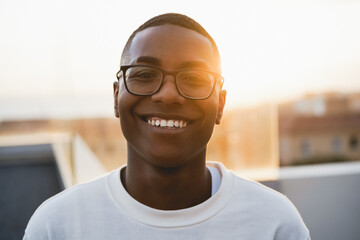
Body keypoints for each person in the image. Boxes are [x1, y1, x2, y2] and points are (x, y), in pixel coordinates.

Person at [23, 13, 310, 239]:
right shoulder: (57, 226)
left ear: (220, 105)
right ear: (115, 97)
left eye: (195, 78)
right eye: (145, 74)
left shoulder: (274, 222)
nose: (168, 94)